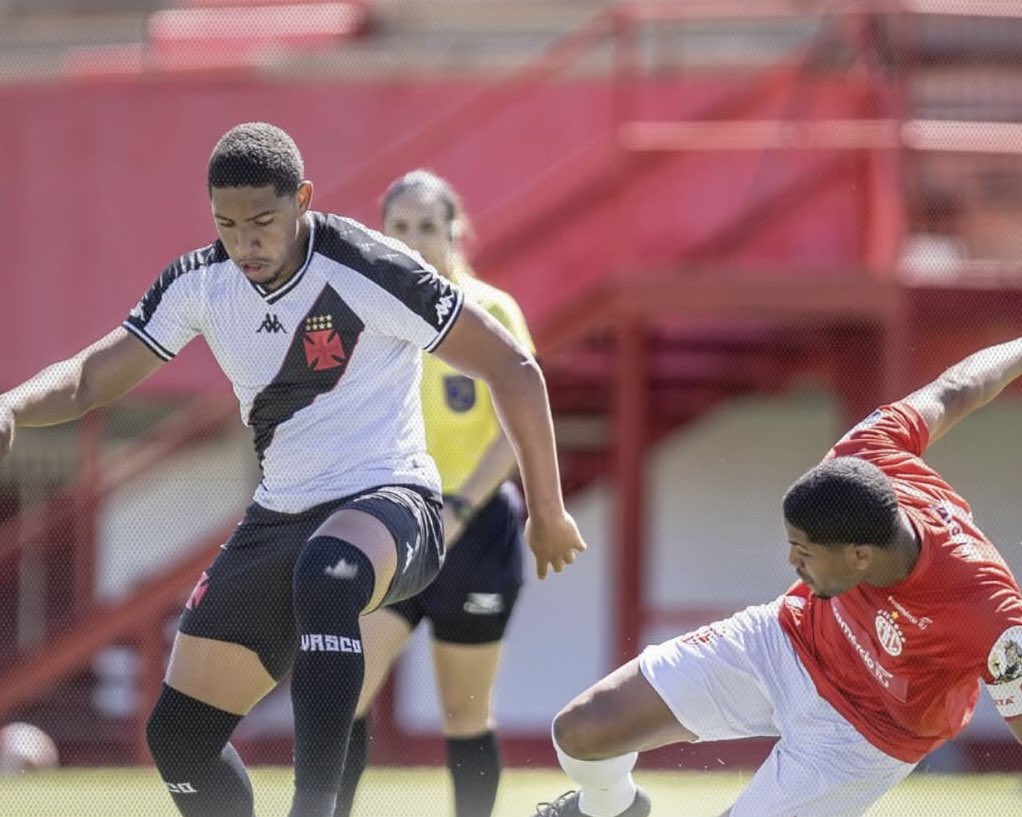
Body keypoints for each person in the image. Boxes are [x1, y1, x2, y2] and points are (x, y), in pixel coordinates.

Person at [0, 122, 587, 817]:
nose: (245, 243)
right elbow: (92, 378)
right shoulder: (200, 283)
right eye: (227, 224)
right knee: (180, 735)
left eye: (262, 223)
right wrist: (11, 406)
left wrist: (548, 510)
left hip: (394, 499)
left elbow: (514, 369)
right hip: (281, 513)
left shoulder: (371, 266)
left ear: (302, 199)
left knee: (327, 575)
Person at [528, 338, 1022, 817]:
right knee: (581, 731)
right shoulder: (865, 451)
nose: (792, 563)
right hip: (786, 639)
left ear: (860, 556)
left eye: (804, 552)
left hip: (864, 737)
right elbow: (957, 388)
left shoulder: (988, 611)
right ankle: (610, 808)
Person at [332, 170, 531, 817]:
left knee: (464, 714)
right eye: (400, 228)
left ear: (454, 231)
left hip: (475, 533)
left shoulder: (491, 311)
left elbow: (517, 429)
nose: (413, 240)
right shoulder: (365, 317)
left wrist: (460, 507)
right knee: (340, 692)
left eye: (427, 226)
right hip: (393, 527)